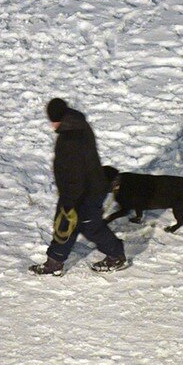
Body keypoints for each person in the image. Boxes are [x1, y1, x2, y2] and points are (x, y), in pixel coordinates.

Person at [29, 98, 127, 276]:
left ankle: (116, 255)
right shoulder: (79, 124)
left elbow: (75, 176)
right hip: (85, 187)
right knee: (67, 226)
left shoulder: (69, 140)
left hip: (85, 192)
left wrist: (69, 202)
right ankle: (54, 262)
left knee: (89, 226)